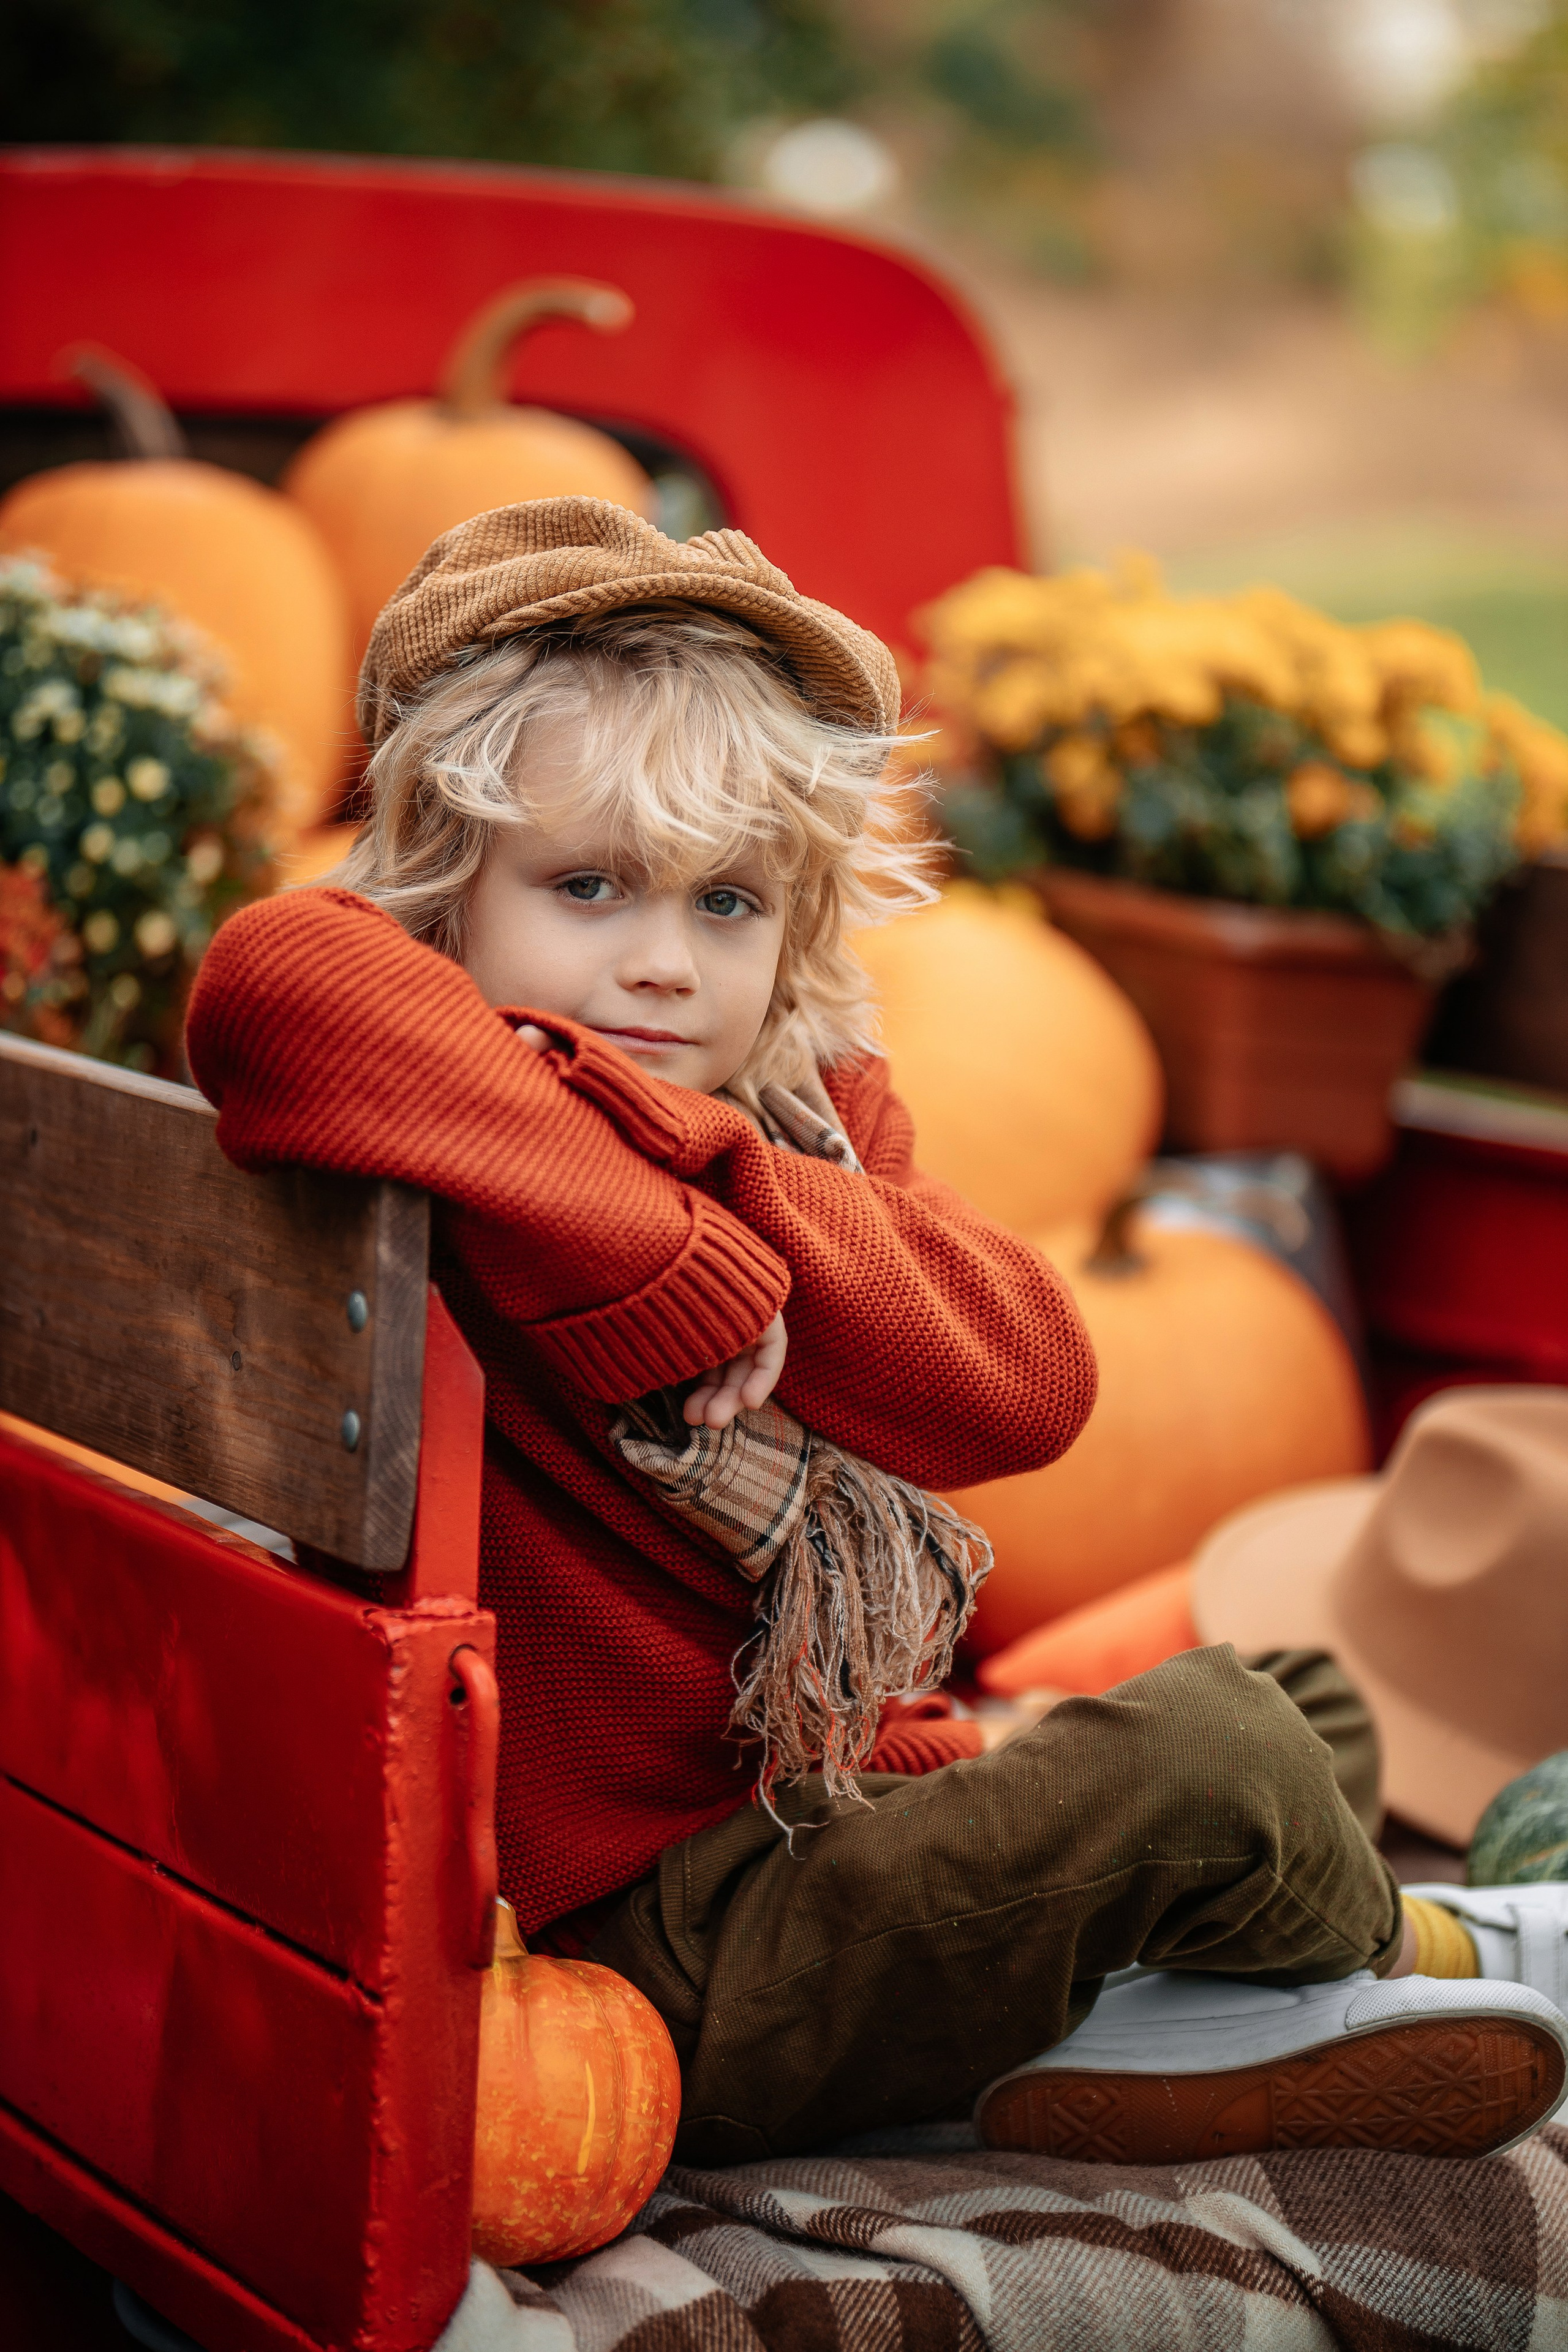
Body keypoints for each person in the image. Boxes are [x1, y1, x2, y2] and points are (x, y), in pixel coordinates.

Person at [186, 498, 1568, 2171]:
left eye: (725, 906)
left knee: (1306, 1702)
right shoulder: (435, 1093)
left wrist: (725, 1194)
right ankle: (1427, 1967)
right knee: (1221, 1759)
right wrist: (661, 1241)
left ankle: (1170, 2011)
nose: (658, 966)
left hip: (834, 1803)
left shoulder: (804, 1130)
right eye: (590, 885)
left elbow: (1032, 1383)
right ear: (443, 888)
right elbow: (270, 968)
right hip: (648, 1944)